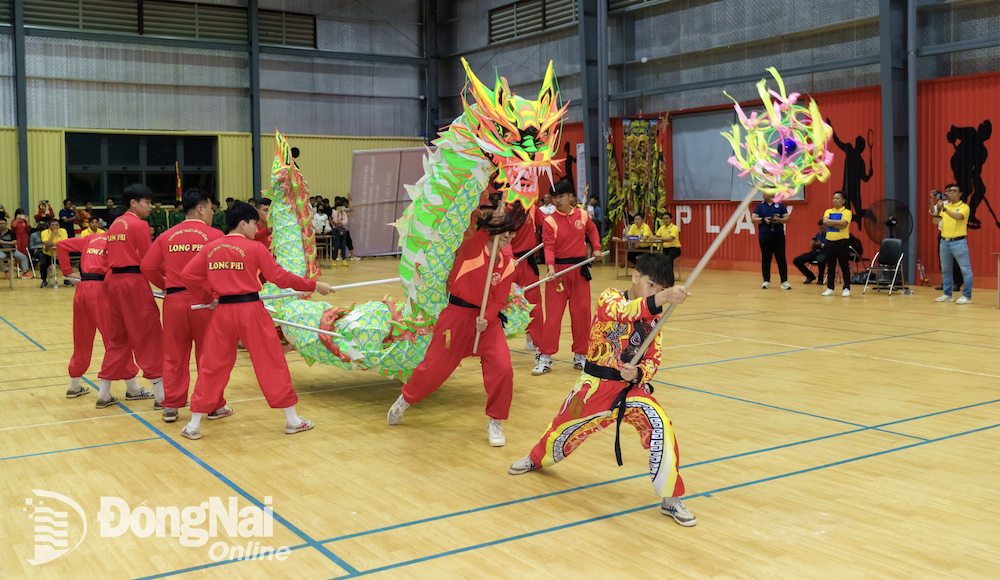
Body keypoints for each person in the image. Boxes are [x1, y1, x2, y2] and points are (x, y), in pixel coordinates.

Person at [508, 253, 697, 526]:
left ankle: (670, 498)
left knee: (661, 426)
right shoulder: (610, 298)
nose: (655, 291)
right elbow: (625, 312)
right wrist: (664, 298)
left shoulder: (656, 321)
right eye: (651, 284)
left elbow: (654, 358)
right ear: (636, 276)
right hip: (593, 387)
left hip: (629, 392)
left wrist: (639, 373)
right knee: (562, 430)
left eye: (660, 288)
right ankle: (536, 459)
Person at [178, 201, 334, 440]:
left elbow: (188, 274)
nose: (256, 228)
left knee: (212, 365)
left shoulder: (211, 248)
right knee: (271, 362)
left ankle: (194, 424)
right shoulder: (254, 248)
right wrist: (314, 285)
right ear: (243, 223)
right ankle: (292, 420)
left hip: (223, 313)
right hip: (251, 309)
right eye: (254, 223)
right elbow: (280, 277)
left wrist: (208, 297)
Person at [386, 205, 520, 447]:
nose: (509, 237)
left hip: (486, 323)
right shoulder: (471, 251)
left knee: (503, 368)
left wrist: (487, 318)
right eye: (505, 231)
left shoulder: (508, 264)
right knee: (434, 369)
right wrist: (488, 225)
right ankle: (406, 398)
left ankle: (495, 420)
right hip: (456, 318)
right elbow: (473, 242)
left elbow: (500, 298)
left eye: (512, 233)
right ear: (493, 230)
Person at [141, 188, 225, 423]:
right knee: (208, 355)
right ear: (200, 209)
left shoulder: (167, 235)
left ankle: (172, 406)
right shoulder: (216, 235)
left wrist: (165, 284)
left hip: (174, 302)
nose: (211, 213)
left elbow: (147, 266)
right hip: (205, 302)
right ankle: (213, 405)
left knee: (174, 355)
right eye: (210, 208)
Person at [58, 230, 142, 400]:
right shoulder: (120, 242)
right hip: (101, 290)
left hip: (82, 289)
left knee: (81, 338)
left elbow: (61, 245)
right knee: (116, 340)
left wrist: (67, 271)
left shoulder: (91, 238)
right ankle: (132, 388)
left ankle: (74, 386)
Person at [99, 184, 163, 408]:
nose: (150, 206)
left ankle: (103, 394)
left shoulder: (115, 224)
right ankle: (161, 398)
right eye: (146, 202)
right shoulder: (139, 225)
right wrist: (165, 284)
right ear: (133, 203)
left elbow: (106, 259)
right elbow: (150, 260)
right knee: (149, 335)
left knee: (118, 338)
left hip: (114, 282)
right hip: (132, 282)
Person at [533, 180, 604, 375]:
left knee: (581, 315)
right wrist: (549, 267)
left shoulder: (582, 215)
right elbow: (548, 246)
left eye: (561, 196)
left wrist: (596, 248)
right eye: (554, 197)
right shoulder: (549, 221)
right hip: (557, 272)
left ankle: (581, 356)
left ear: (571, 197)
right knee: (553, 318)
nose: (557, 200)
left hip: (579, 270)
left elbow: (592, 230)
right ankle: (545, 357)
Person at [509, 199, 543, 351]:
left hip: (527, 261)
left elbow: (549, 224)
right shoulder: (506, 209)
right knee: (500, 303)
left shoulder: (533, 209)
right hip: (508, 262)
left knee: (533, 302)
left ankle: (535, 340)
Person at [932, 184, 973, 304]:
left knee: (965, 269)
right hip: (944, 241)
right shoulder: (945, 206)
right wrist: (939, 210)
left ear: (960, 194)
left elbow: (958, 217)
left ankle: (967, 296)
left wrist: (944, 209)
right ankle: (947, 294)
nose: (950, 193)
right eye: (948, 191)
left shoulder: (964, 207)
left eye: (953, 191)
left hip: (959, 242)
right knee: (946, 269)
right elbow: (935, 221)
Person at [751, 192, 790, 289]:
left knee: (781, 258)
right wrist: (763, 220)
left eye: (766, 193)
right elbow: (753, 218)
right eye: (763, 193)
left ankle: (784, 281)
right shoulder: (760, 206)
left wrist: (779, 220)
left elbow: (787, 218)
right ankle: (766, 281)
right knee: (766, 259)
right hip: (764, 236)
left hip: (778, 236)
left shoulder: (780, 205)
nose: (764, 195)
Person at [820, 191, 853, 297]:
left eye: (837, 198)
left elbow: (844, 224)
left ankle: (846, 287)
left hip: (842, 242)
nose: (834, 200)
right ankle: (830, 287)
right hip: (830, 242)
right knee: (830, 266)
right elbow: (825, 222)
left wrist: (831, 223)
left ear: (843, 201)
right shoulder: (828, 211)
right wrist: (837, 223)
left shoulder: (847, 212)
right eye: (834, 198)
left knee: (844, 265)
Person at [793, 220, 827, 285]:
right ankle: (810, 276)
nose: (821, 230)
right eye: (820, 228)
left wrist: (822, 244)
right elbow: (813, 248)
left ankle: (820, 277)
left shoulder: (831, 236)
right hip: (815, 253)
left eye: (823, 228)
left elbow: (831, 247)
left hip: (824, 253)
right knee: (797, 260)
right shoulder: (818, 235)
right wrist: (812, 244)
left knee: (821, 260)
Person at [39, 220, 68, 288]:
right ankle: (44, 280)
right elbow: (48, 244)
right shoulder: (44, 232)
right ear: (49, 226)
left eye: (56, 225)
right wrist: (53, 234)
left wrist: (52, 244)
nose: (55, 227)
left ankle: (67, 279)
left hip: (60, 254)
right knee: (43, 264)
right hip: (48, 253)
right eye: (53, 225)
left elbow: (64, 243)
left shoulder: (63, 231)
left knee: (66, 264)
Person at [330, 198, 349, 266]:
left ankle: (344, 259)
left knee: (343, 245)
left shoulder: (344, 213)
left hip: (343, 229)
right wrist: (338, 215)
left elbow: (345, 221)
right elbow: (335, 221)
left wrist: (341, 221)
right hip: (336, 230)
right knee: (336, 245)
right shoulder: (334, 212)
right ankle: (334, 259)